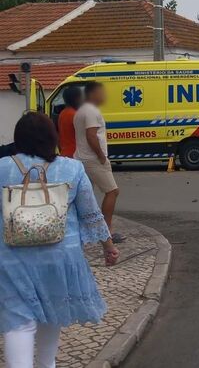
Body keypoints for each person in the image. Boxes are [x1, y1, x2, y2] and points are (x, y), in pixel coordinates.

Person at [1, 112, 119, 368]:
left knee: (17, 323)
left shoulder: (1, 168)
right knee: (51, 315)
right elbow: (90, 213)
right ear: (51, 138)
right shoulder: (72, 168)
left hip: (10, 258)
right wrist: (108, 247)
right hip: (60, 256)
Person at [74, 81, 124, 243]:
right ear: (92, 94)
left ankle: (88, 230)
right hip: (93, 159)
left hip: (82, 158)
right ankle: (107, 231)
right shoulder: (90, 111)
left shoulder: (81, 111)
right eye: (100, 92)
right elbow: (91, 135)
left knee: (86, 197)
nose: (104, 95)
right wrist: (101, 156)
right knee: (112, 191)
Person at [57, 86, 83, 157]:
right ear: (76, 99)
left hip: (64, 153)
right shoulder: (75, 115)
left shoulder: (62, 114)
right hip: (75, 155)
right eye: (81, 98)